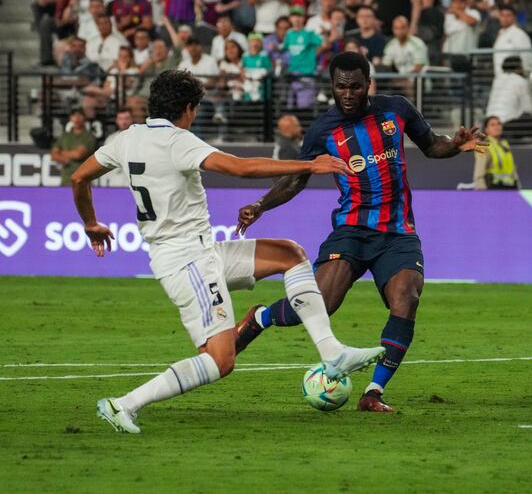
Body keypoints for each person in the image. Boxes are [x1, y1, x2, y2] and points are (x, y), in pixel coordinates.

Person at [71, 69, 384, 434]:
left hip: (203, 251)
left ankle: (333, 353)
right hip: (187, 262)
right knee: (221, 360)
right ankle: (123, 404)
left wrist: (90, 223)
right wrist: (310, 164)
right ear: (188, 108)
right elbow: (240, 167)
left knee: (290, 254)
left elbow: (79, 177)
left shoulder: (127, 139)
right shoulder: (177, 141)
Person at [233, 52, 487, 412]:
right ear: (333, 87)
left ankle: (373, 393)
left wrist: (455, 145)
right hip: (351, 229)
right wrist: (260, 205)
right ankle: (260, 318)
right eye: (341, 87)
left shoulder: (396, 109)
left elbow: (431, 144)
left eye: (355, 86)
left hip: (397, 232)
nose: (348, 94)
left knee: (407, 299)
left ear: (368, 83)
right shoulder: (323, 129)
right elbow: (295, 179)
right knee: (321, 303)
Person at [484, 55, 532, 141]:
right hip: (506, 125)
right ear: (518, 67)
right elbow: (527, 108)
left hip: (489, 122)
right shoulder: (520, 81)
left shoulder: (497, 79)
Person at [52, 107, 96, 186]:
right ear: (70, 118)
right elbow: (53, 155)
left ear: (84, 118)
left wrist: (61, 152)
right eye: (74, 115)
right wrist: (64, 159)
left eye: (79, 115)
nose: (76, 118)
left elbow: (78, 154)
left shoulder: (89, 136)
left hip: (83, 181)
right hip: (66, 180)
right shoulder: (64, 136)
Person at [472, 116, 519, 190]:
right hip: (494, 188)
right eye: (492, 125)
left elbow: (512, 169)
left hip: (511, 187)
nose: (497, 127)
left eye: (499, 124)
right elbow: (479, 172)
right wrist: (481, 191)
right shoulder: (483, 145)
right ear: (486, 129)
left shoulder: (504, 144)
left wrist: (517, 185)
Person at [97, 107, 134, 187]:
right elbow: (105, 163)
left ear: (131, 119)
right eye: (120, 119)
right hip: (114, 182)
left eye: (126, 118)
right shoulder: (110, 139)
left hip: (132, 182)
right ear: (117, 120)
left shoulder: (138, 138)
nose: (124, 122)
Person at [492, 5, 532, 76]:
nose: (505, 18)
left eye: (508, 15)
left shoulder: (519, 34)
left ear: (514, 17)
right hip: (500, 77)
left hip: (516, 78)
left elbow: (527, 58)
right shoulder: (500, 34)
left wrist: (525, 74)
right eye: (502, 15)